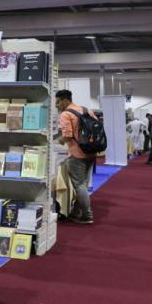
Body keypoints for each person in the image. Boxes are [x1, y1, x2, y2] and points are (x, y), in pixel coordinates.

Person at [55, 90, 97, 225]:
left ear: (64, 100)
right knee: (83, 184)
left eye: (58, 102)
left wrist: (59, 141)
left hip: (77, 154)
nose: (57, 105)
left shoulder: (66, 114)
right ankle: (76, 211)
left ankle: (87, 215)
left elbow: (67, 136)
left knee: (79, 185)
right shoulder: (86, 110)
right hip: (91, 152)